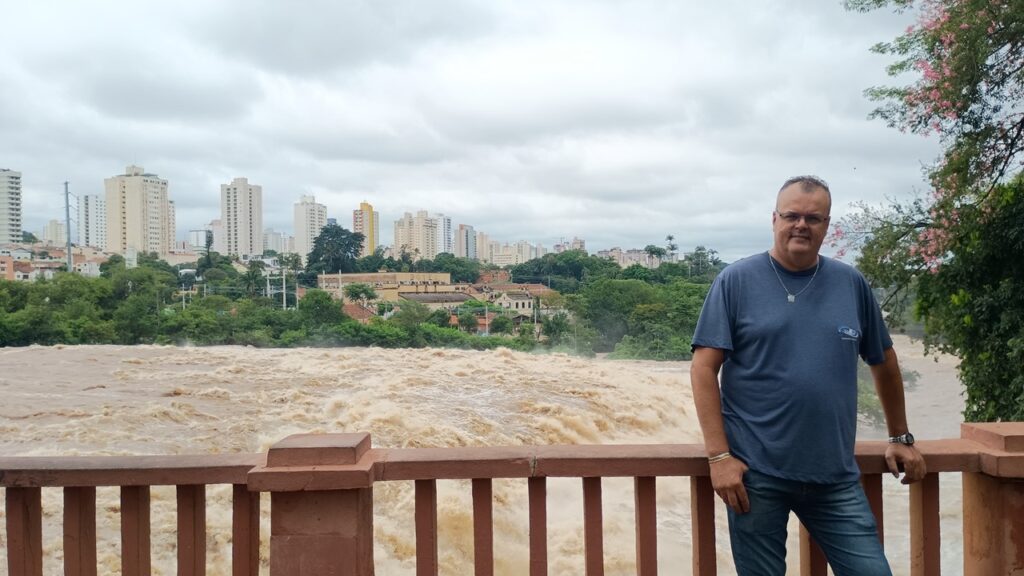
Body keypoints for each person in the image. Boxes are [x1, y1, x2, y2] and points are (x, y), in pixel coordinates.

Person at [689, 175, 926, 575]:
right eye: (792, 215)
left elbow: (883, 361)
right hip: (756, 477)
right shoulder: (736, 281)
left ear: (827, 226)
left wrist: (900, 437)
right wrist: (719, 457)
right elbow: (702, 369)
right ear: (774, 219)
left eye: (813, 218)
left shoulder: (850, 283)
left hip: (835, 477)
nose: (801, 225)